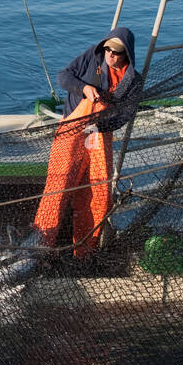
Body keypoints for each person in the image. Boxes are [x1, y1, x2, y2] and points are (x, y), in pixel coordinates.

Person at [34, 27, 140, 257]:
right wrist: (84, 88)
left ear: (127, 55)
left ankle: (84, 249)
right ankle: (41, 245)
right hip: (72, 128)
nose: (110, 55)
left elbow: (124, 115)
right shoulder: (92, 56)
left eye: (117, 52)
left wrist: (100, 126)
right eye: (108, 49)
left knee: (96, 191)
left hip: (98, 135)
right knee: (58, 186)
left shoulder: (133, 81)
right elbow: (63, 76)